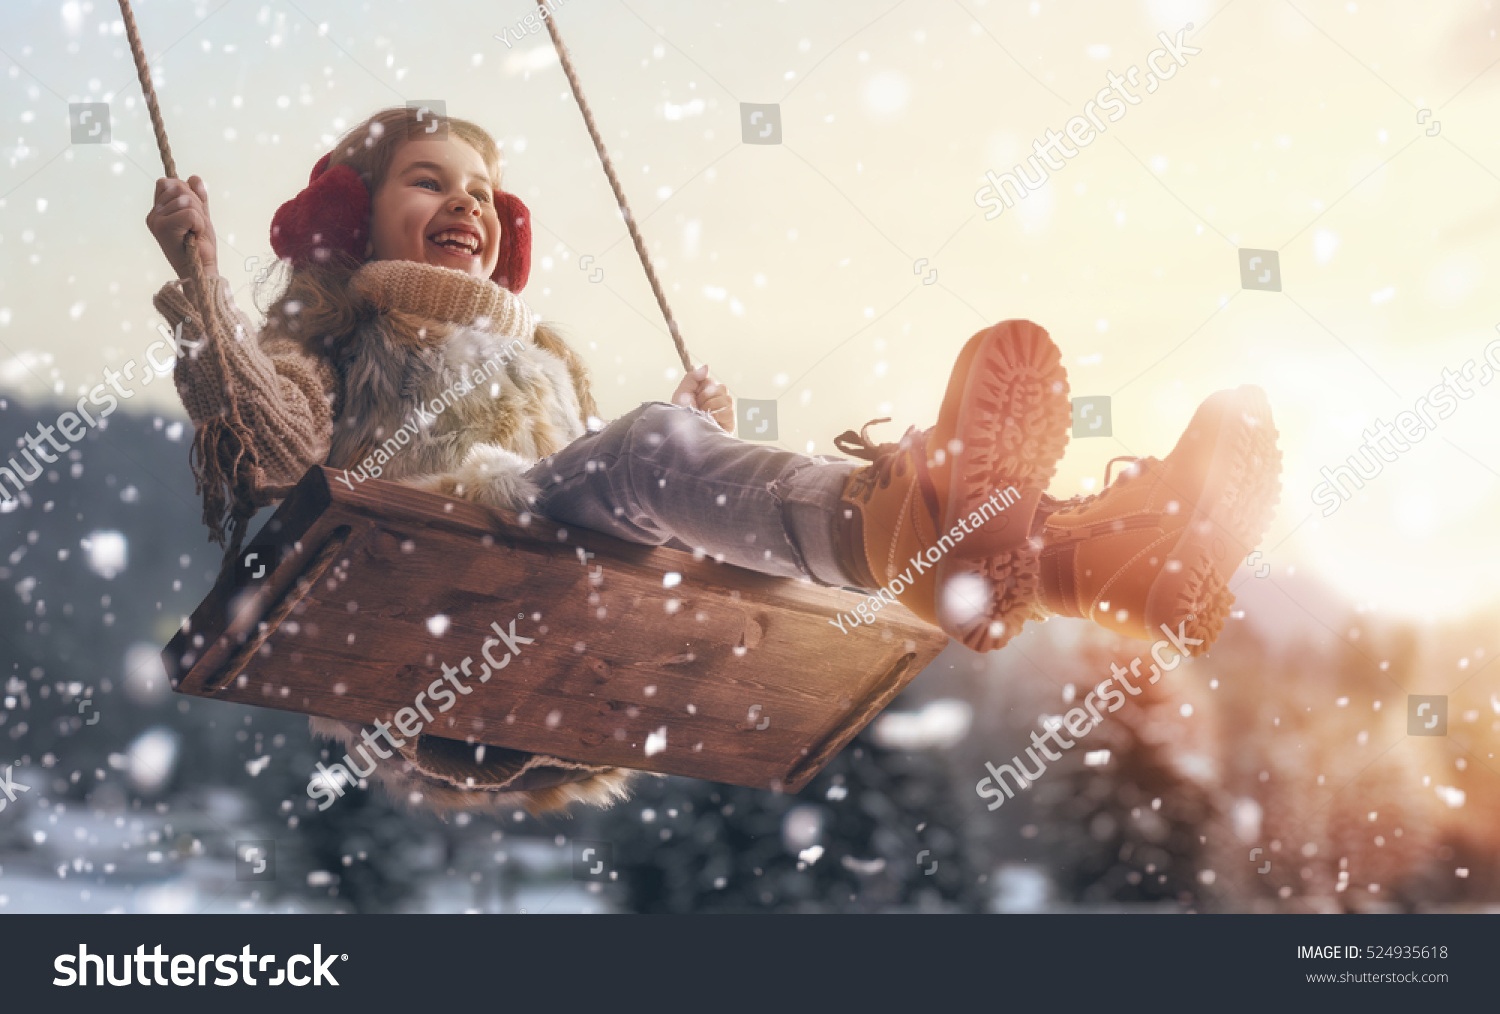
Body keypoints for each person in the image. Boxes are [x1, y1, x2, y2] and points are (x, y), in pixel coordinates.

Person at [145, 106, 1282, 814]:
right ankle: (911, 525)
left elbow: (581, 480)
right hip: (428, 622)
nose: (467, 206)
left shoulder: (544, 360)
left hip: (560, 615)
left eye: (484, 192)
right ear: (353, 217)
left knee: (662, 460)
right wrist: (202, 291)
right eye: (430, 181)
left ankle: (1093, 558)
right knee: (649, 453)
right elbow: (271, 452)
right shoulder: (339, 338)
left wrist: (682, 459)